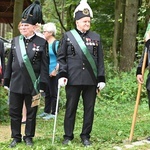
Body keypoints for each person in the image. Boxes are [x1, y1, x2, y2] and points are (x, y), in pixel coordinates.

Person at [57, 0, 106, 147]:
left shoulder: (96, 37)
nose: (87, 23)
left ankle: (85, 136)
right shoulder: (67, 36)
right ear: (77, 21)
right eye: (84, 21)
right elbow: (62, 57)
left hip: (91, 80)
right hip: (72, 79)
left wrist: (101, 78)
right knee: (71, 108)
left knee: (89, 109)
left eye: (88, 21)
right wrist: (62, 75)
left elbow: (100, 60)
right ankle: (68, 135)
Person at [3, 1, 49, 148]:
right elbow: (10, 62)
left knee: (31, 113)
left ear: (33, 27)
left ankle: (28, 137)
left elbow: (44, 65)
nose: (23, 28)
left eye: (26, 26)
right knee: (14, 112)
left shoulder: (42, 42)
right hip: (16, 82)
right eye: (21, 26)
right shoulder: (16, 41)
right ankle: (15, 137)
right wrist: (6, 80)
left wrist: (42, 85)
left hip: (33, 84)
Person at [38, 22, 59, 120]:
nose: (43, 33)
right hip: (46, 72)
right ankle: (46, 111)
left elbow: (61, 59)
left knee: (54, 92)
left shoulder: (56, 44)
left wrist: (55, 71)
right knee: (47, 92)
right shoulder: (45, 44)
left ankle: (54, 112)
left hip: (55, 72)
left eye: (44, 31)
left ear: (50, 32)